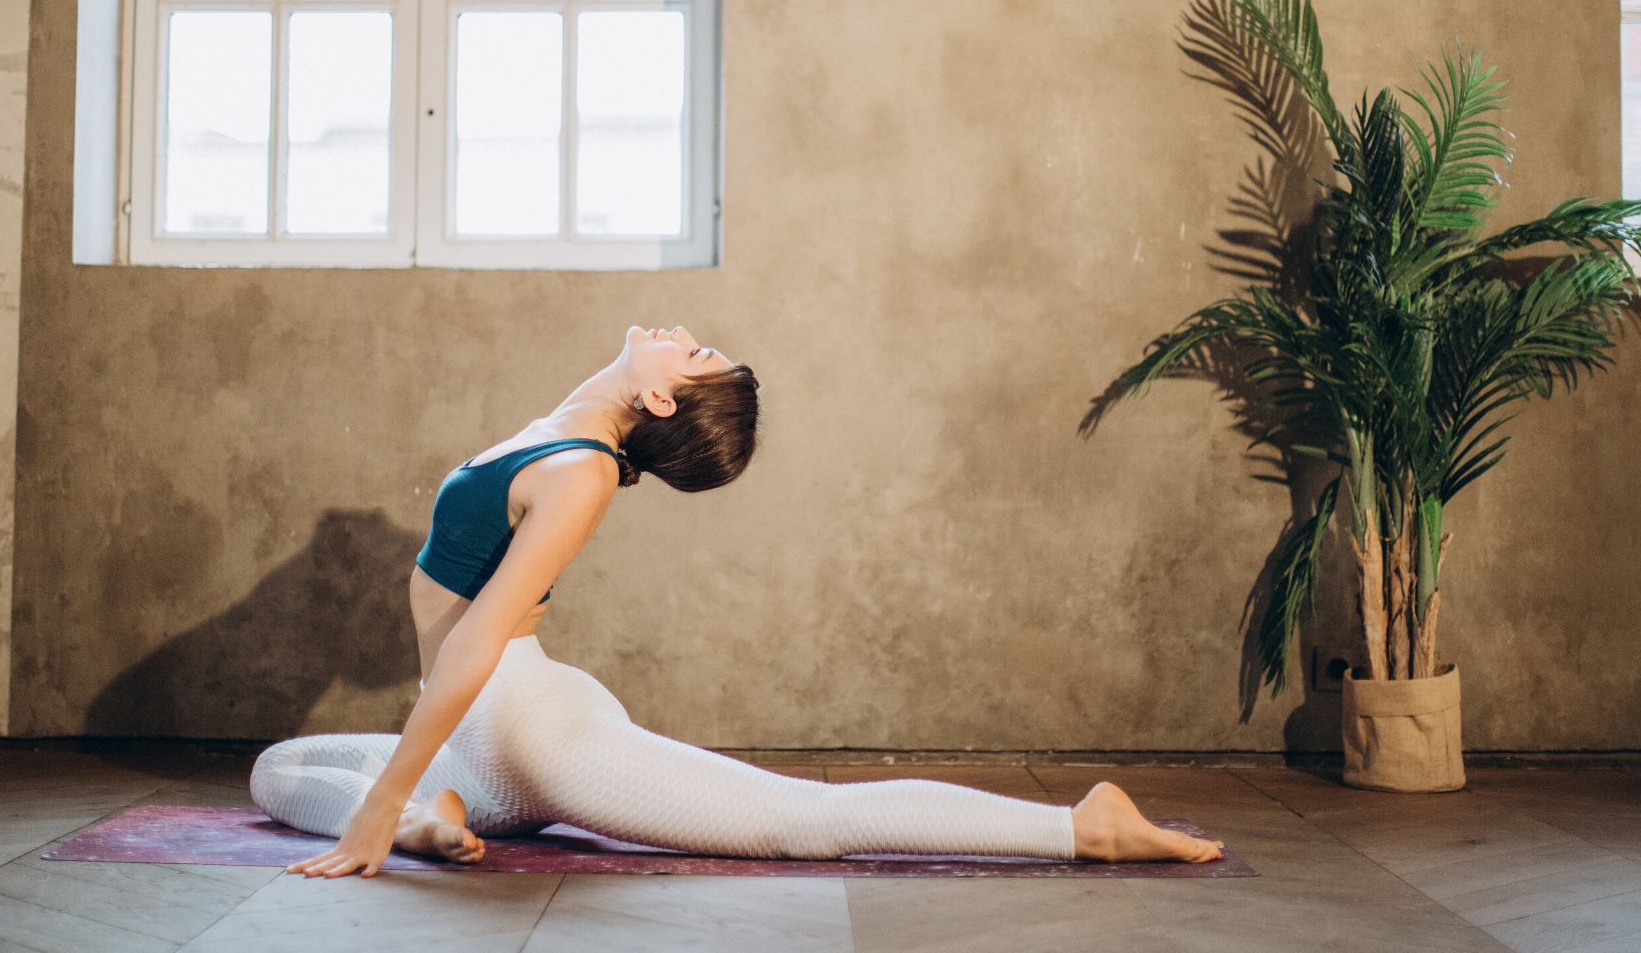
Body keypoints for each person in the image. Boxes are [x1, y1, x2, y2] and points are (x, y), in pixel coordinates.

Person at [250, 325, 1226, 877]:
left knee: (805, 823)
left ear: (663, 402)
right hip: (482, 744)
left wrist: (374, 806)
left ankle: (1080, 825)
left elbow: (473, 644)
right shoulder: (566, 424)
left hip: (532, 732)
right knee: (278, 773)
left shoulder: (581, 472)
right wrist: (390, 802)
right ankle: (434, 816)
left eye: (695, 355)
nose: (683, 337)